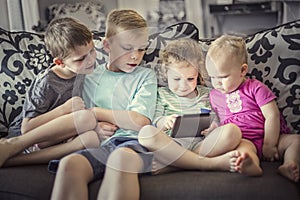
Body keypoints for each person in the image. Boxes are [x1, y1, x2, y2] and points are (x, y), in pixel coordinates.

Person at [50, 9, 157, 200]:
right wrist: (94, 128)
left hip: (131, 144)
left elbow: (139, 121)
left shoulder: (145, 76)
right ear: (107, 45)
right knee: (69, 164)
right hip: (97, 145)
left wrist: (96, 112)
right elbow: (75, 118)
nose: (136, 56)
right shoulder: (88, 75)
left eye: (141, 49)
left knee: (120, 158)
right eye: (127, 48)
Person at [0, 17, 100, 167]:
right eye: (81, 59)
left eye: (92, 51)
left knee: (91, 138)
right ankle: (13, 145)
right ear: (60, 62)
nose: (91, 60)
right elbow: (27, 127)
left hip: (54, 136)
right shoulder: (47, 82)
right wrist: (64, 109)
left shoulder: (85, 71)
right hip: (28, 136)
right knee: (86, 118)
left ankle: (14, 161)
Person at [138, 38, 243, 173]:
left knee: (233, 131)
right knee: (146, 133)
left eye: (190, 79)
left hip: (201, 144)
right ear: (165, 73)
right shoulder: (161, 94)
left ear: (197, 74)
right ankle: (208, 163)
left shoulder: (209, 93)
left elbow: (219, 117)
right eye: (176, 79)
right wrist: (165, 121)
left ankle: (174, 165)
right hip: (172, 145)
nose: (183, 86)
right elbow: (155, 121)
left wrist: (214, 126)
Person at [205, 34, 300, 182]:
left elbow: (272, 115)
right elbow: (219, 119)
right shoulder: (214, 96)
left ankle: (290, 165)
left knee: (295, 140)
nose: (217, 83)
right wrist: (212, 129)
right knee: (244, 152)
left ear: (242, 71)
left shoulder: (255, 88)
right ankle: (251, 165)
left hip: (271, 137)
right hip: (243, 139)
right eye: (212, 77)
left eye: (222, 77)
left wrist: (269, 144)